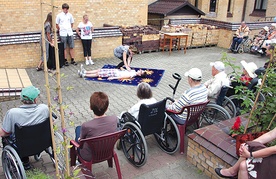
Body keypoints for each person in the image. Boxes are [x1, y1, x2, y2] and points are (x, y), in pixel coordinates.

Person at [0, 86, 49, 170]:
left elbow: (4, 133)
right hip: (42, 142)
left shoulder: (13, 113)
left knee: (5, 138)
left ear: (21, 100)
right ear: (35, 100)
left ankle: (25, 161)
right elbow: (52, 123)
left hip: (22, 146)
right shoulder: (44, 108)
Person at [74, 92, 117, 161]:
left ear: (90, 107)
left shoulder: (86, 125)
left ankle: (77, 160)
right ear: (106, 108)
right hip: (108, 152)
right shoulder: (114, 119)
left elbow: (81, 140)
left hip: (89, 156)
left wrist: (79, 139)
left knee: (78, 129)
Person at [77, 64, 147, 79]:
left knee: (99, 74)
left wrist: (113, 78)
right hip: (116, 70)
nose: (139, 70)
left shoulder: (132, 75)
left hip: (115, 73)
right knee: (99, 70)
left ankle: (84, 75)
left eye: (141, 71)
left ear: (140, 75)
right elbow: (125, 71)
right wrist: (123, 69)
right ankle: (85, 71)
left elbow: (123, 76)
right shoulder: (133, 71)